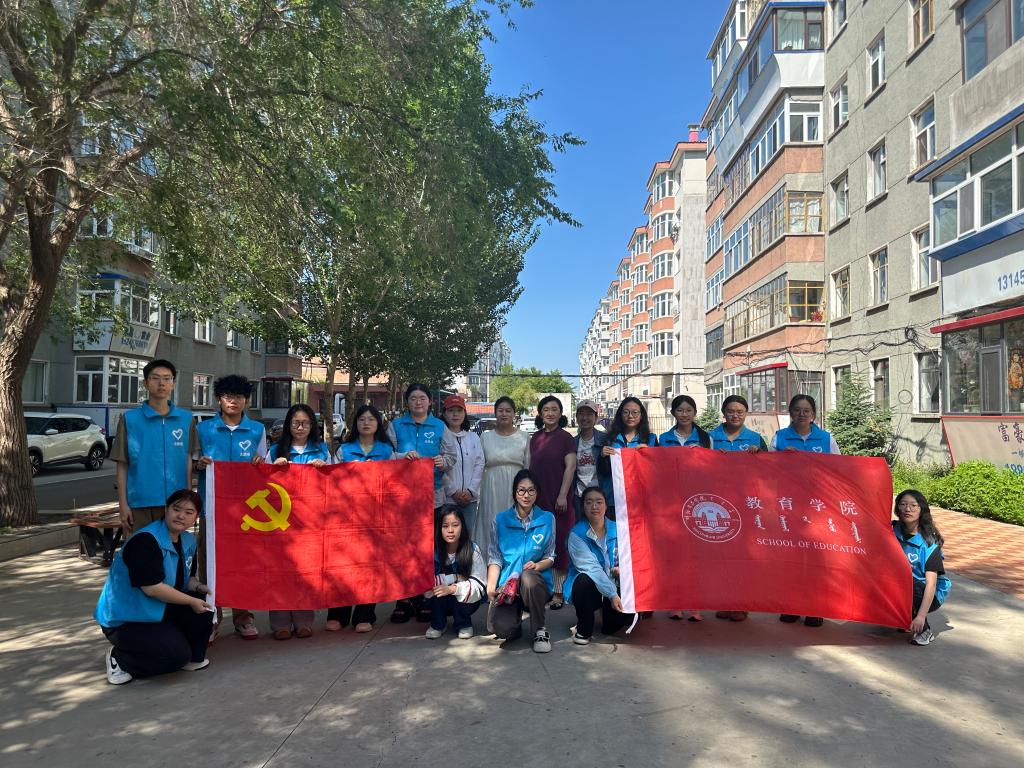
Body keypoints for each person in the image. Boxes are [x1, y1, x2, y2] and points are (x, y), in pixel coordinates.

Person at [95, 489, 213, 685]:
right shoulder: (145, 540)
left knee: (206, 608)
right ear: (166, 509)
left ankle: (187, 656)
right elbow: (152, 589)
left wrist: (200, 587)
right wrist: (192, 601)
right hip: (127, 620)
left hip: (157, 610)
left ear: (196, 517)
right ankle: (120, 658)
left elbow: (186, 579)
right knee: (175, 655)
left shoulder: (187, 540)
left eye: (188, 512)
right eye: (176, 509)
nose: (181, 516)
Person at [194, 374, 266, 641]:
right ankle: (211, 618)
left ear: (246, 400)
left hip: (246, 513)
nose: (233, 401)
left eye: (238, 396)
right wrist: (199, 465)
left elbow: (265, 468)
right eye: (227, 396)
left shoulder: (257, 430)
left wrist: (261, 465)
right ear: (218, 400)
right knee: (209, 564)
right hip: (211, 510)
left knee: (243, 564)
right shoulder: (203, 430)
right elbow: (192, 464)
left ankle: (243, 617)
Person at [386, 383, 457, 623]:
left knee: (429, 548)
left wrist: (442, 462)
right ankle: (404, 599)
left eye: (422, 398)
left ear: (429, 402)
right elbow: (386, 456)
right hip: (402, 498)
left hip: (432, 496)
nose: (418, 402)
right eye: (413, 398)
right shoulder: (396, 426)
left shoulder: (439, 426)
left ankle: (428, 597)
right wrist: (401, 457)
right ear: (407, 402)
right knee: (404, 548)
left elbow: (451, 457)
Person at [258, 403, 330, 639]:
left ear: (312, 426)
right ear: (288, 425)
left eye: (306, 423)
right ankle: (280, 623)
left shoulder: (321, 450)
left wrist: (324, 469)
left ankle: (304, 620)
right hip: (280, 520)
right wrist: (273, 469)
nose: (300, 427)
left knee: (306, 570)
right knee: (279, 570)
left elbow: (333, 483)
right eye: (296, 422)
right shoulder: (275, 450)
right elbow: (261, 483)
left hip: (310, 520)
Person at [772, 394, 840, 627]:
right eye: (797, 410)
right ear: (790, 413)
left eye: (806, 410)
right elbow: (766, 469)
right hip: (789, 506)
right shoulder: (779, 438)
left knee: (815, 559)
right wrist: (782, 458)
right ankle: (791, 606)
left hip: (817, 507)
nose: (802, 414)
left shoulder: (827, 439)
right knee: (790, 558)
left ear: (813, 414)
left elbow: (839, 469)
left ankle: (814, 608)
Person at [327, 403, 394, 633]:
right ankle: (338, 614)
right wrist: (349, 472)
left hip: (374, 516)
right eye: (362, 419)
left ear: (378, 424)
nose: (366, 423)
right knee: (342, 564)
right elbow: (330, 481)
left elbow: (396, 482)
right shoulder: (344, 450)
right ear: (355, 424)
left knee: (369, 565)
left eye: (371, 419)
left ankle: (365, 614)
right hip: (346, 516)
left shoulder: (386, 451)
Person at [113, 359, 197, 534]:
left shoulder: (186, 419)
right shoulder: (130, 419)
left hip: (176, 504)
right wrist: (123, 505)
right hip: (139, 504)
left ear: (173, 383)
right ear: (145, 383)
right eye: (155, 378)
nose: (161, 383)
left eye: (167, 378)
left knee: (173, 550)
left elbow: (188, 459)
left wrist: (189, 499)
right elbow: (122, 464)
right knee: (140, 550)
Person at [708, 395, 765, 622]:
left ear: (746, 413)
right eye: (730, 411)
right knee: (721, 556)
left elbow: (769, 469)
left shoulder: (755, 439)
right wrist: (712, 458)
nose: (735, 415)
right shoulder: (710, 437)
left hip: (745, 504)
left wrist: (758, 456)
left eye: (740, 411)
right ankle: (724, 601)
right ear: (723, 413)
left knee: (743, 556)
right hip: (717, 504)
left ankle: (741, 603)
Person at [486, 469, 556, 653]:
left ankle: (539, 629)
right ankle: (514, 623)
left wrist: (537, 565)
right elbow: (495, 557)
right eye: (521, 490)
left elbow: (550, 556)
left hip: (535, 585)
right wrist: (491, 586)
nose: (526, 495)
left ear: (537, 493)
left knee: (528, 577)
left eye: (531, 490)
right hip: (508, 587)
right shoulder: (500, 520)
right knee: (503, 630)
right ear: (514, 492)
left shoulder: (547, 519)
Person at [657, 394, 710, 621]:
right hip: (671, 503)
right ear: (673, 413)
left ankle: (695, 605)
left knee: (696, 556)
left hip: (697, 503)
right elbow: (657, 468)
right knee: (674, 554)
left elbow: (713, 468)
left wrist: (702, 455)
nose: (685, 414)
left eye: (689, 410)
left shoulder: (705, 438)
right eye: (680, 410)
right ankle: (675, 603)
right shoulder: (663, 439)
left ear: (695, 413)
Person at [564, 487, 633, 644]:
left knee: (616, 624)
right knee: (584, 580)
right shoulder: (576, 534)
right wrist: (612, 594)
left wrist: (623, 570)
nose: (594, 506)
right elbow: (592, 568)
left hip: (614, 584)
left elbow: (632, 557)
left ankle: (608, 613)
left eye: (599, 502)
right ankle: (584, 628)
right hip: (591, 588)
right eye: (589, 502)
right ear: (583, 507)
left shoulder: (620, 529)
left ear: (606, 505)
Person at [529, 395, 577, 610]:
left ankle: (558, 592)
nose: (550, 413)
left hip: (559, 499)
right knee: (540, 543)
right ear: (540, 413)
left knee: (559, 544)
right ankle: (542, 589)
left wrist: (562, 494)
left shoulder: (566, 438)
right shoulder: (535, 438)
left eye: (554, 409)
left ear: (560, 413)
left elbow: (570, 467)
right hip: (538, 499)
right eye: (546, 409)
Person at [892, 489, 951, 646]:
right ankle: (905, 619)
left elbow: (931, 584)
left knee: (905, 580)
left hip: (929, 593)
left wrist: (921, 616)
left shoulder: (929, 544)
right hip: (904, 586)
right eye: (903, 504)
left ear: (922, 509)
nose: (907, 509)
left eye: (913, 505)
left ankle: (924, 630)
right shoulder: (891, 530)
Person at [476, 396, 530, 556]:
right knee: (489, 521)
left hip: (515, 487)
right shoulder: (485, 437)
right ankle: (487, 561)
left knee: (514, 522)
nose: (504, 414)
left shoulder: (524, 437)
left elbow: (527, 467)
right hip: (491, 487)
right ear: (495, 413)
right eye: (500, 410)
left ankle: (512, 562)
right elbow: (479, 465)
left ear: (514, 413)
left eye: (508, 410)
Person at [424, 505, 486, 640]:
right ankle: (437, 624)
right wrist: (454, 578)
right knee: (437, 588)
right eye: (445, 526)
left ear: (462, 526)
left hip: (464, 602)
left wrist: (453, 589)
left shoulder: (472, 550)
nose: (450, 530)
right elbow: (425, 582)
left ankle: (463, 623)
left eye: (455, 525)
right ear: (439, 528)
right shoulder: (431, 550)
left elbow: (480, 584)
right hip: (440, 598)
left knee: (462, 589)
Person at [441, 395, 484, 535]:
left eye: (459, 410)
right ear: (444, 414)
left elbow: (479, 465)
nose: (455, 414)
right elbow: (439, 468)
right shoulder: (440, 438)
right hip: (448, 500)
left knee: (468, 538)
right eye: (451, 410)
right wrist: (453, 491)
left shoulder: (473, 438)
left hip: (470, 500)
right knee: (449, 538)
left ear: (465, 413)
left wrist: (471, 491)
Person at [573, 399, 611, 520]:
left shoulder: (606, 439)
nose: (585, 418)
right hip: (580, 497)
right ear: (576, 417)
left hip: (601, 496)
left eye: (589, 414)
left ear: (596, 417)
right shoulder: (572, 442)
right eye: (581, 414)